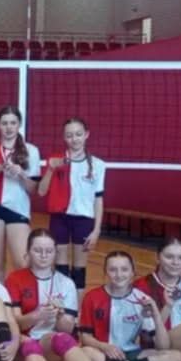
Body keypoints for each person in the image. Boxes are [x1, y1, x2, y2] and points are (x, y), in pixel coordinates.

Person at [6, 228, 115, 361]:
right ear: (28, 253)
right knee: (29, 343)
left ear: (56, 253)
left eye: (49, 251)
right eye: (38, 250)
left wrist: (60, 315)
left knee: (62, 338)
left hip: (48, 344)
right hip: (19, 344)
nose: (43, 256)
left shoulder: (66, 283)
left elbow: (67, 329)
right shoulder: (15, 279)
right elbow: (14, 323)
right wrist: (36, 315)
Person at [77, 251, 181, 361]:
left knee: (178, 357)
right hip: (101, 352)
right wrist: (104, 346)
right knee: (86, 352)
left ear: (132, 272)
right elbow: (85, 338)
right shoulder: (92, 297)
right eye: (113, 270)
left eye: (124, 269)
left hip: (131, 354)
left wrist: (156, 313)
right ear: (105, 272)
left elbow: (162, 347)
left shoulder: (141, 299)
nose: (119, 275)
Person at [37, 117, 104, 290]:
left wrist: (96, 230)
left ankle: (76, 306)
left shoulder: (98, 165)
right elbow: (41, 192)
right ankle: (62, 302)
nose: (74, 139)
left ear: (86, 134)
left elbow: (98, 199)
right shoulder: (55, 160)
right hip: (60, 217)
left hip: (84, 220)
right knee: (60, 266)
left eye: (78, 134)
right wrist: (51, 168)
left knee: (79, 269)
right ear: (64, 137)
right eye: (69, 135)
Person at [0, 106, 41, 277]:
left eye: (13, 123)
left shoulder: (31, 151)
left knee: (23, 262)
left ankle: (20, 294)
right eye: (4, 123)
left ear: (19, 124)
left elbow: (33, 189)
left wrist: (21, 174)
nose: (9, 127)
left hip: (18, 209)